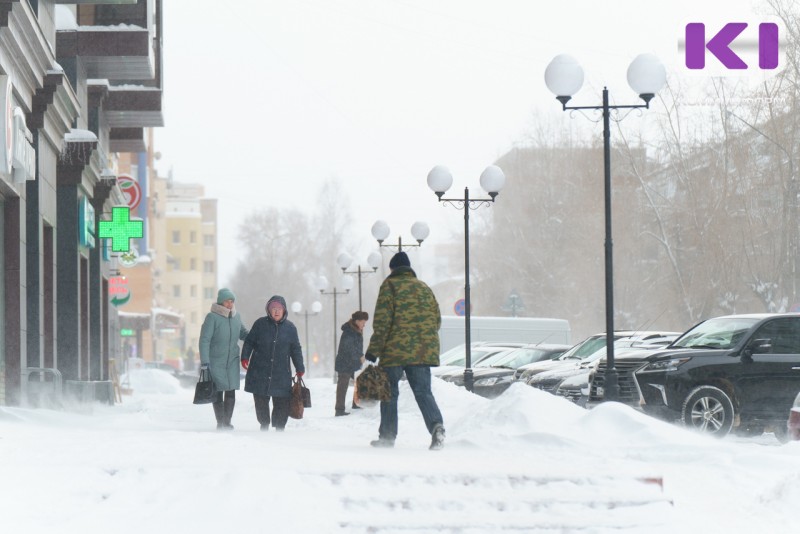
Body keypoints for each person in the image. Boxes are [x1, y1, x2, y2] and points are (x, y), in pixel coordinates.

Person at [365, 251, 446, 450]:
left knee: (389, 392)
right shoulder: (424, 287)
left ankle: (387, 437)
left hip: (394, 351)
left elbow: (382, 322)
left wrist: (373, 351)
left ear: (393, 269)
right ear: (409, 269)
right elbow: (437, 321)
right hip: (421, 351)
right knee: (423, 391)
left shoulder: (389, 286)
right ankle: (436, 426)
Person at [241, 295, 305, 431]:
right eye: (273, 308)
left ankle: (279, 428)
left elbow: (296, 349)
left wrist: (300, 367)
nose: (276, 311)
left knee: (282, 401)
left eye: (279, 309)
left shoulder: (290, 328)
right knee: (261, 400)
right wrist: (245, 357)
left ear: (284, 310)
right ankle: (264, 424)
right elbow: (249, 342)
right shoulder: (260, 324)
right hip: (260, 371)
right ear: (268, 310)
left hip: (281, 373)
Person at [199, 288, 249, 430]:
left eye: (232, 301)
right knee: (218, 391)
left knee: (231, 390)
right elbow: (204, 340)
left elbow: (244, 334)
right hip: (216, 360)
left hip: (232, 360)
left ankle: (227, 422)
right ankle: (220, 422)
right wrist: (205, 361)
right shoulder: (212, 317)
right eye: (227, 301)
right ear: (221, 301)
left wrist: (258, 336)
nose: (230, 304)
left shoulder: (236, 317)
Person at [334, 310, 369, 416]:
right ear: (357, 321)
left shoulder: (356, 330)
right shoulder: (349, 331)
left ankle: (356, 403)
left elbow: (355, 347)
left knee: (361, 380)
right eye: (363, 322)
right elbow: (348, 347)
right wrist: (360, 356)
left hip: (353, 363)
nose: (364, 324)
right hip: (345, 363)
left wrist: (359, 356)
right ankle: (339, 410)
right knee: (342, 387)